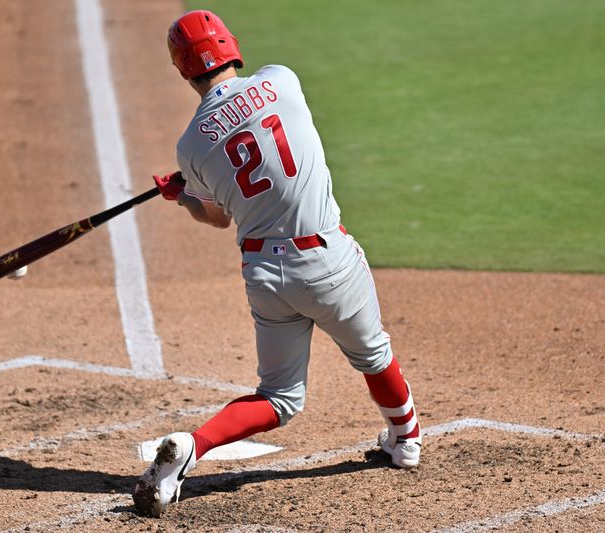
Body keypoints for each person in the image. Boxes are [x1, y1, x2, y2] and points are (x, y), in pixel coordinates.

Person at [133, 10, 421, 517]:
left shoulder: (191, 146)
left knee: (280, 397)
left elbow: (218, 218)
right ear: (231, 47)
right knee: (374, 355)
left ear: (183, 70)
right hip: (329, 261)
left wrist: (182, 195)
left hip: (266, 276)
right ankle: (405, 441)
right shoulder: (280, 79)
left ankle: (193, 445)